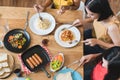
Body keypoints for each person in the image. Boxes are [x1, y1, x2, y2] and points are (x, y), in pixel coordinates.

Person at [74, 0, 120, 80]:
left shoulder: (112, 28)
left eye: (91, 14)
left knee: (77, 51)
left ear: (101, 12)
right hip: (94, 34)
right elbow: (94, 19)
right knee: (75, 42)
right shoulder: (101, 16)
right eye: (87, 12)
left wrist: (98, 42)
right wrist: (84, 21)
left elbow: (117, 47)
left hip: (103, 47)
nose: (88, 15)